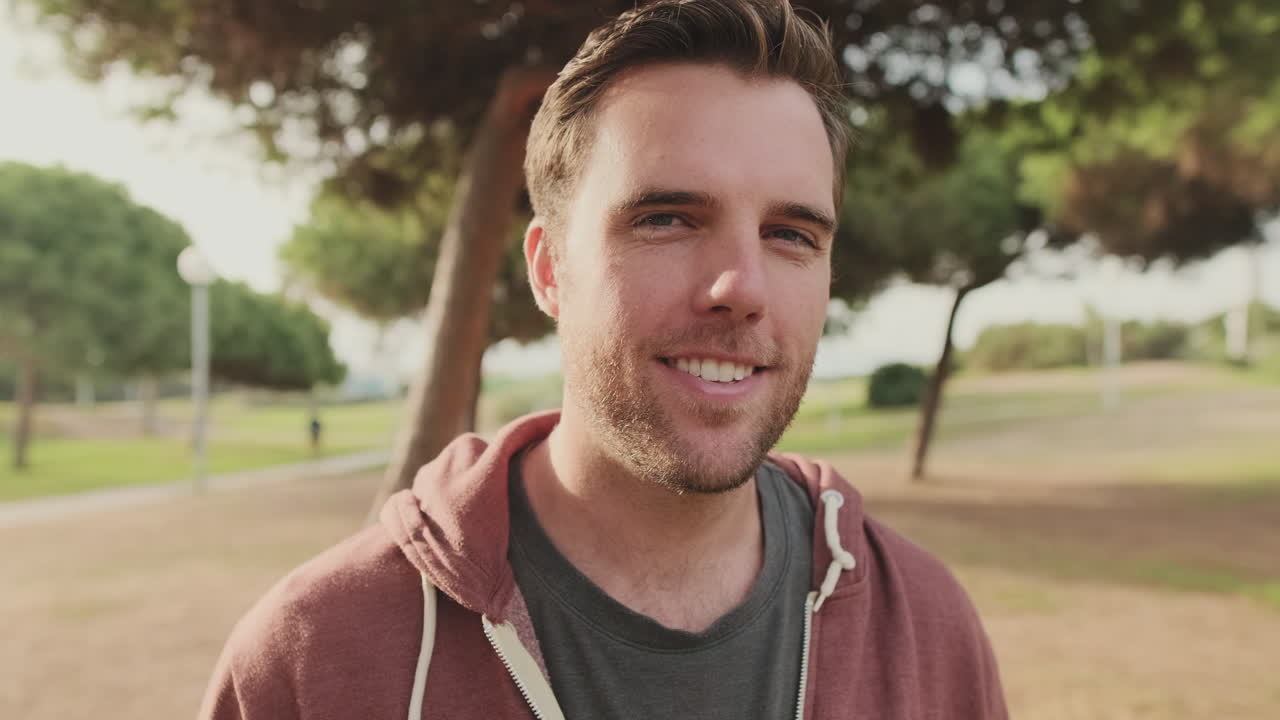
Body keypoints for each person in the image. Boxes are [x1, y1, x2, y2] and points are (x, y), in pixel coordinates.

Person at [198, 1, 1008, 718]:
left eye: (791, 234)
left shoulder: (927, 628)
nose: (741, 287)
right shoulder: (317, 657)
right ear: (550, 270)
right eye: (667, 219)